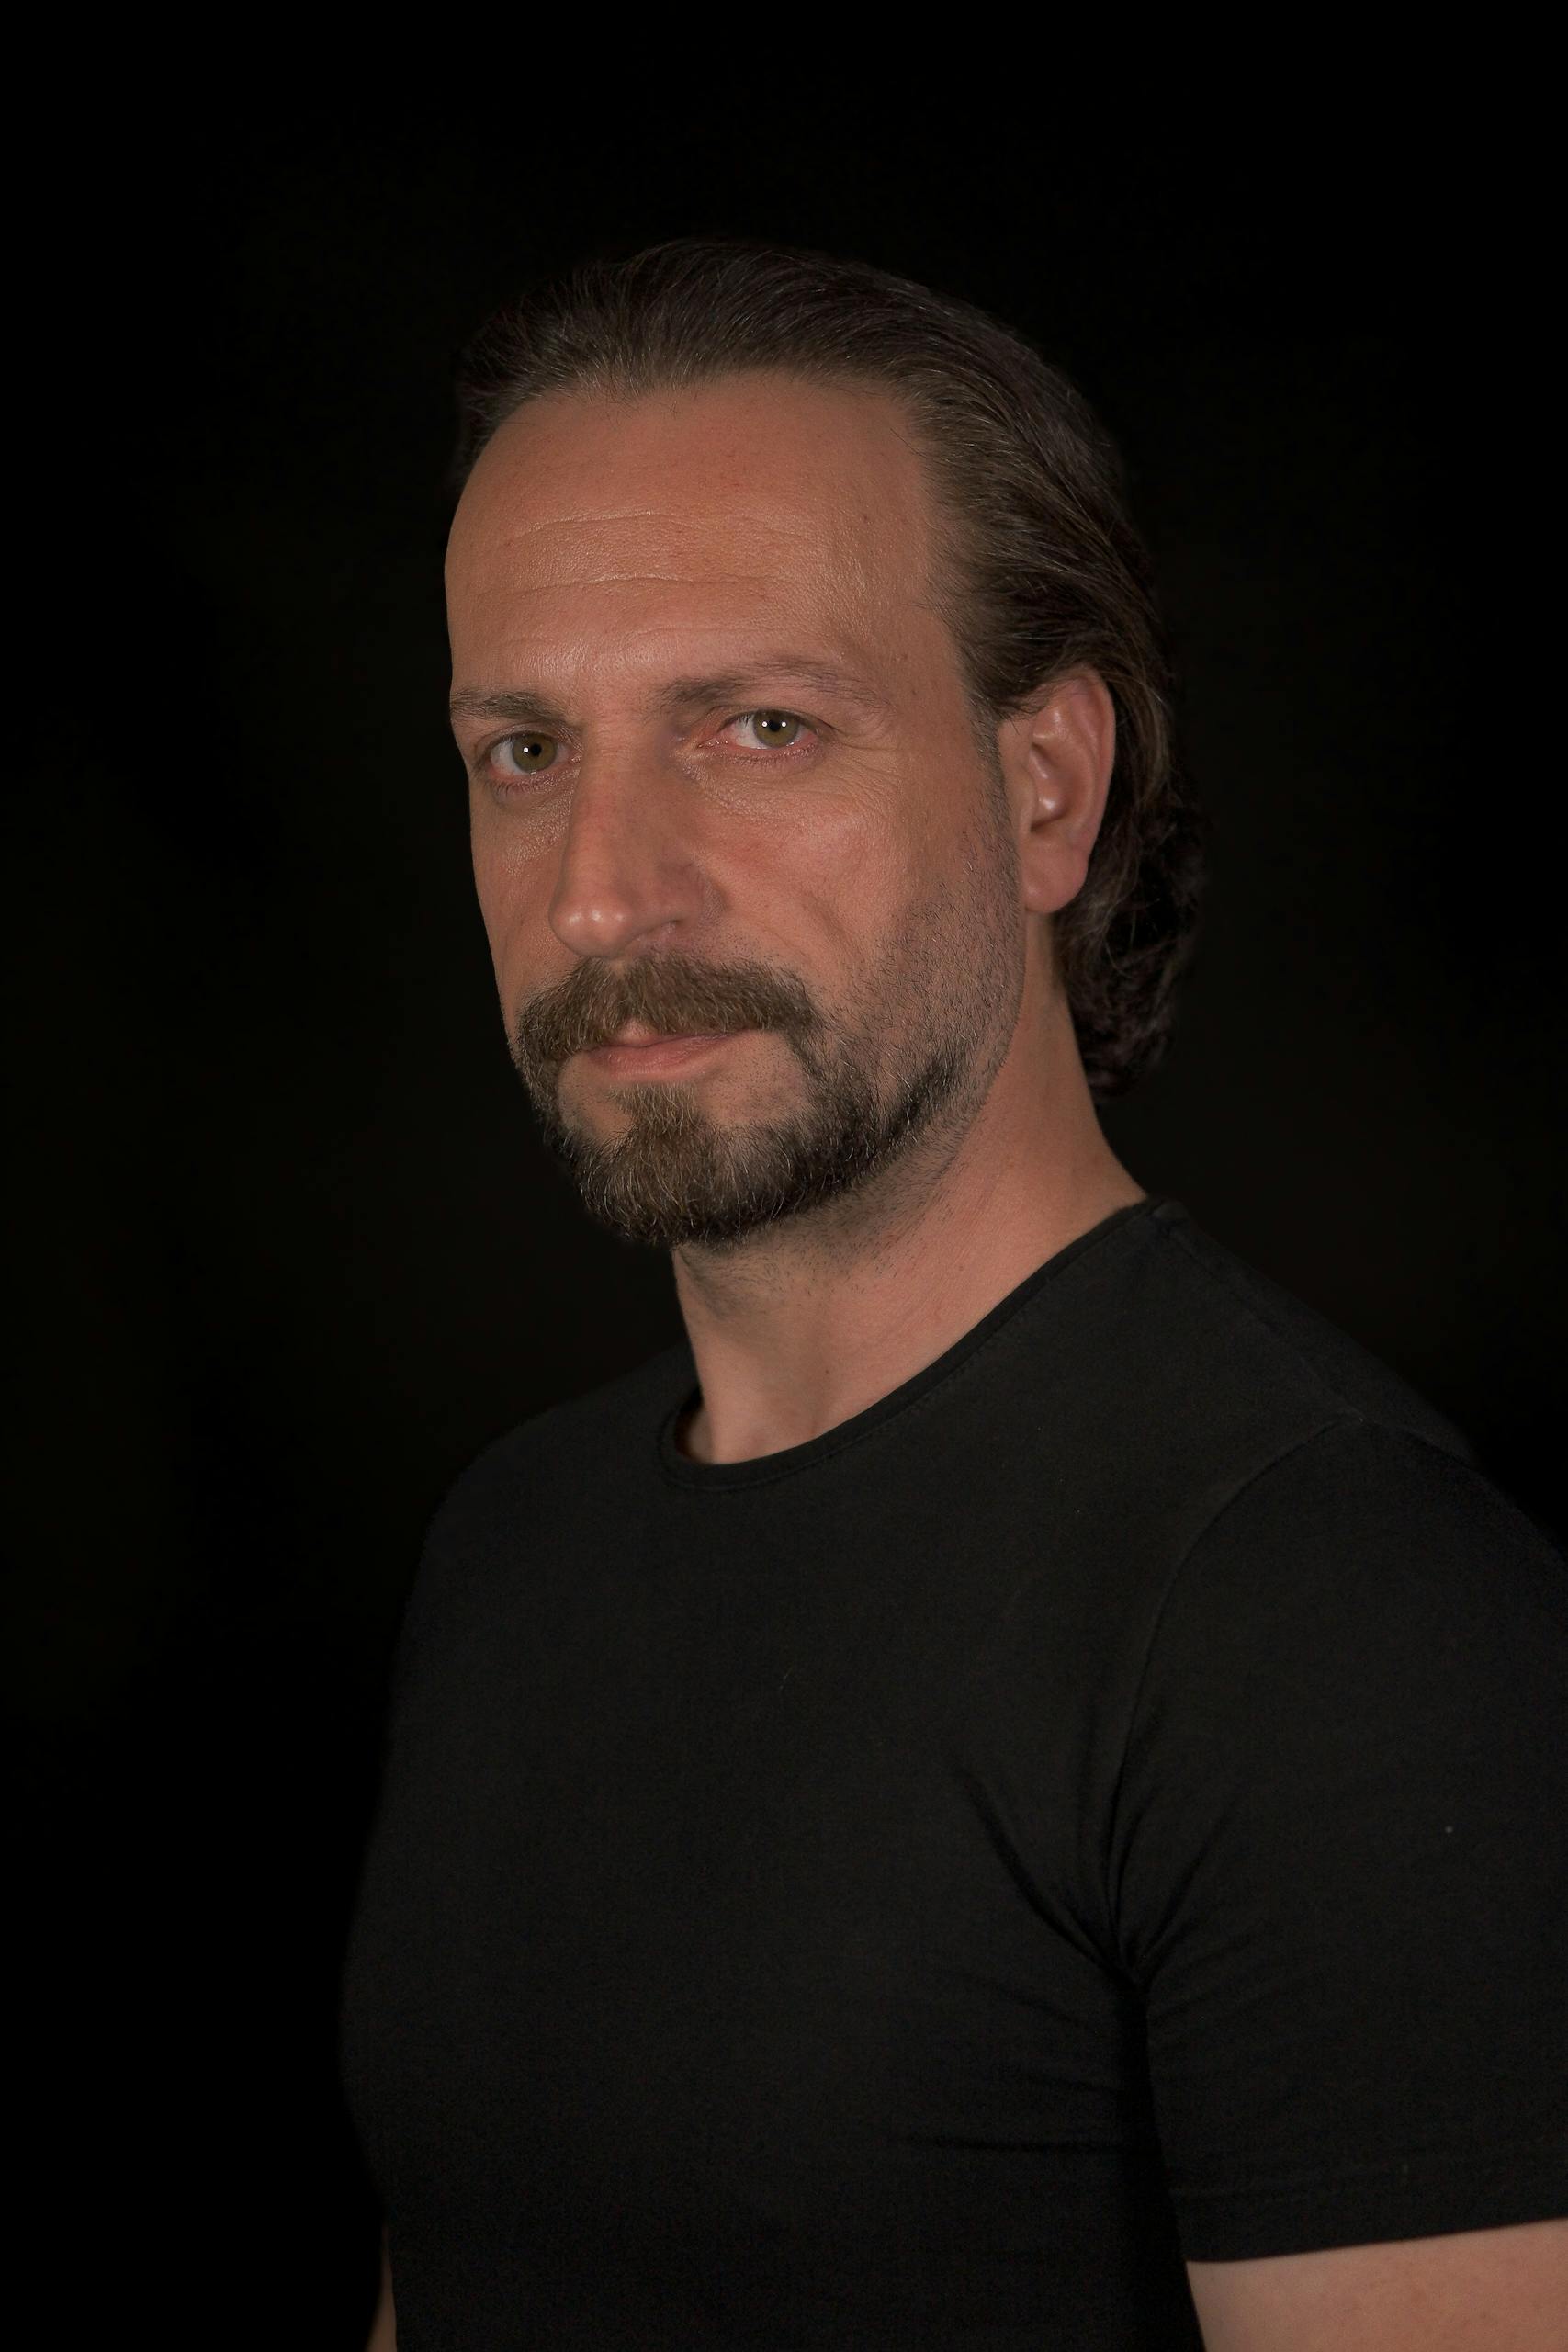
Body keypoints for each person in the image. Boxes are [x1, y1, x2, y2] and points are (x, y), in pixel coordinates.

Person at [340, 238, 1567, 2349]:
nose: (602, 887)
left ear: (1043, 787)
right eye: (523, 748)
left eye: (757, 725)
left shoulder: (1336, 1617)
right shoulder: (513, 1541)